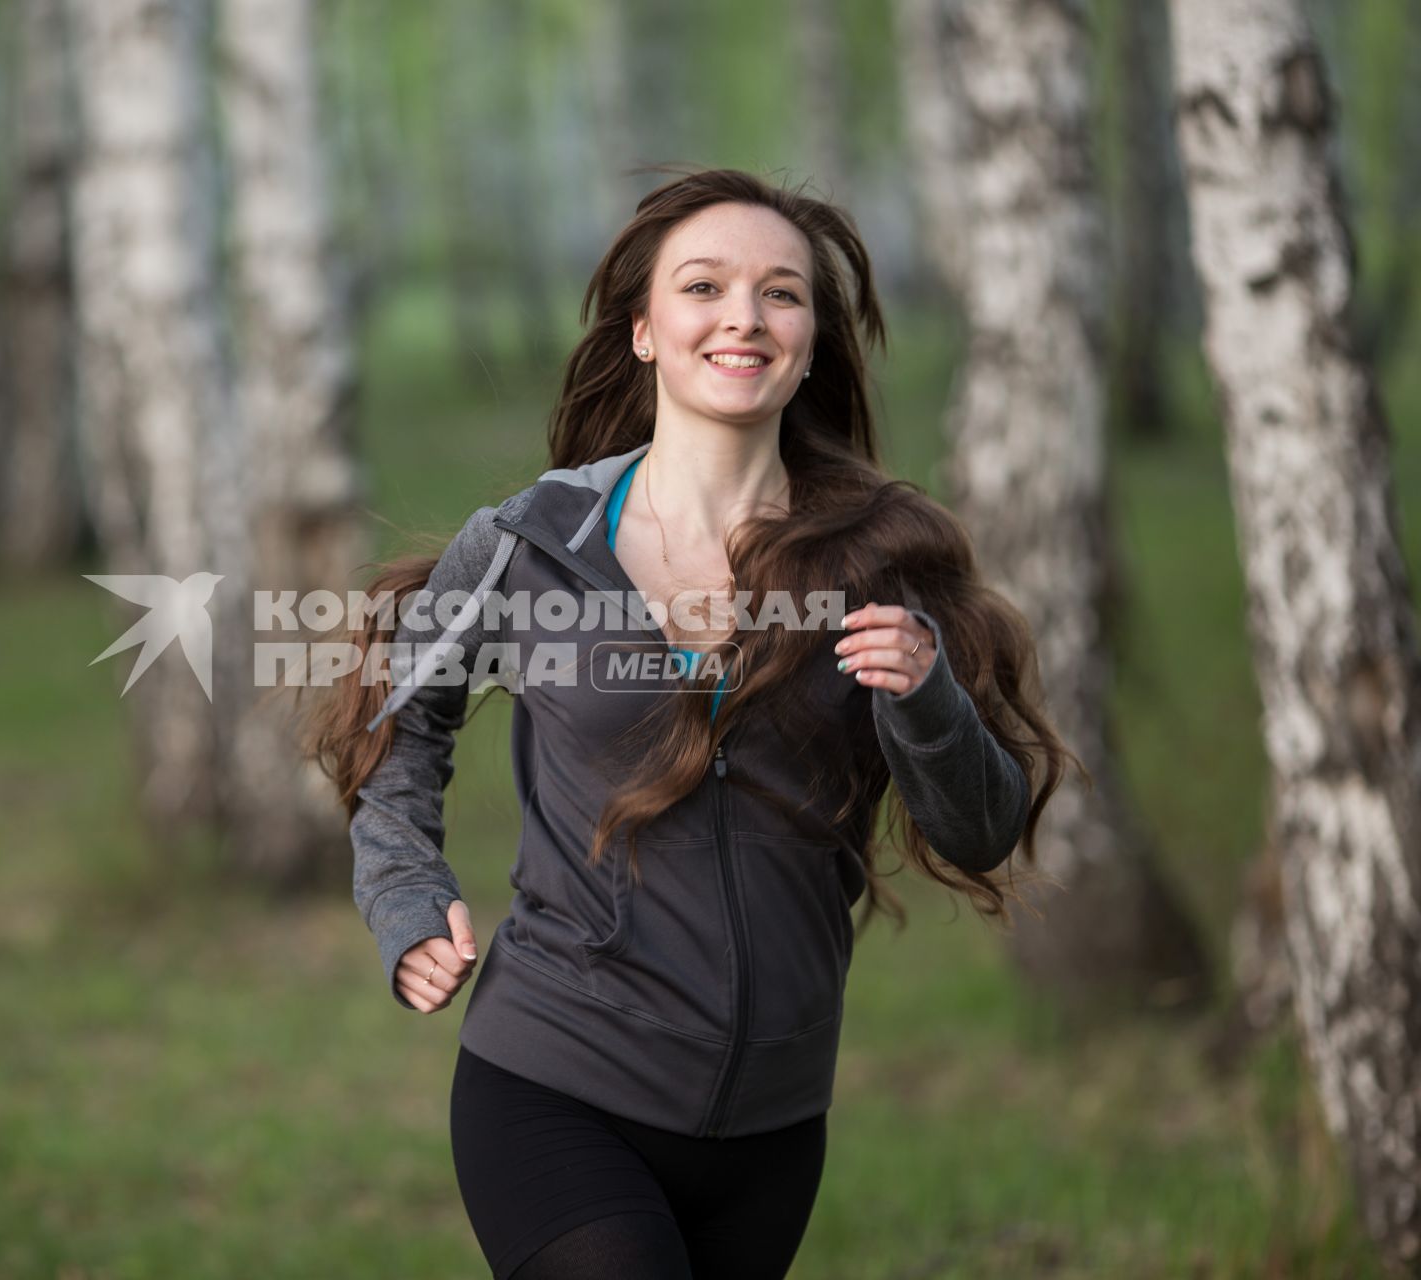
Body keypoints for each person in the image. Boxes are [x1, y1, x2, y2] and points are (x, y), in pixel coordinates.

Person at [303, 167, 1079, 1280]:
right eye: (704, 286)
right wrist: (405, 889)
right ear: (646, 331)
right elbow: (403, 716)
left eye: (781, 294)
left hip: (772, 1120)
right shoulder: (528, 541)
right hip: (552, 1075)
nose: (743, 317)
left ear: (810, 342)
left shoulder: (879, 554)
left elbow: (982, 828)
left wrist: (929, 699)